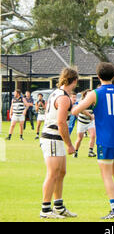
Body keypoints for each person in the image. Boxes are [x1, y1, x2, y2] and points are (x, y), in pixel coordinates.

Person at [71, 62, 114, 220]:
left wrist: (73, 104)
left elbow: (75, 111)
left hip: (105, 140)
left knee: (106, 175)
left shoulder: (95, 93)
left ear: (98, 76)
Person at [39, 67, 78, 219]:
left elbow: (72, 111)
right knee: (53, 173)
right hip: (53, 137)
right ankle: (46, 209)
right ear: (74, 81)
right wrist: (69, 144)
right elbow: (61, 122)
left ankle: (59, 206)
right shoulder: (63, 97)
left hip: (56, 138)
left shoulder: (58, 93)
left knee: (61, 173)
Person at [73, 89, 96, 158]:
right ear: (85, 95)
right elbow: (82, 110)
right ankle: (75, 151)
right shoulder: (82, 102)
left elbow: (96, 110)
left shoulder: (93, 102)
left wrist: (94, 115)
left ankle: (90, 151)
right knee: (80, 138)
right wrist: (90, 115)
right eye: (88, 94)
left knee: (93, 135)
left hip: (90, 122)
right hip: (82, 122)